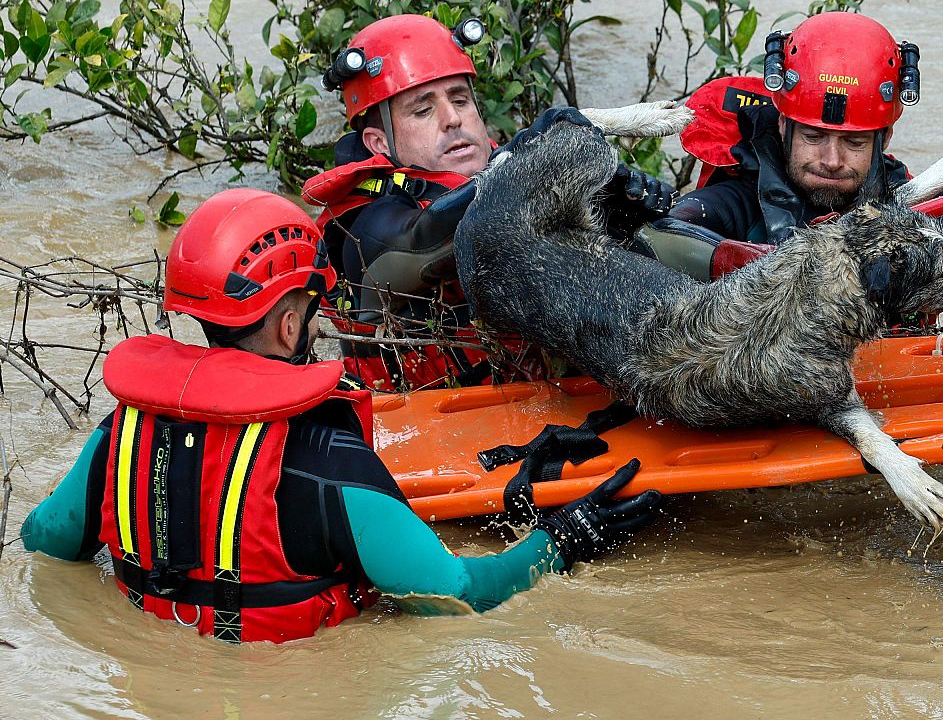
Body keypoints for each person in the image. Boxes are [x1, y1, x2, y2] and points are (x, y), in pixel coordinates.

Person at [21, 189, 663, 643]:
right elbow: (456, 597)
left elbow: (42, 543)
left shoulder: (119, 435)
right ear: (291, 321)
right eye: (312, 305)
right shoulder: (329, 461)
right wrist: (563, 541)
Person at [300, 14, 675, 390]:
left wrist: (614, 219)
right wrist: (528, 158)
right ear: (380, 144)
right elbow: (430, 238)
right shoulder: (365, 225)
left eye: (460, 100)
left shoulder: (510, 168)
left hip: (538, 398)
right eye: (423, 110)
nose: (452, 119)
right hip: (430, 418)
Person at [643, 11, 943, 280]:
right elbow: (657, 236)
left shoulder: (912, 206)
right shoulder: (735, 201)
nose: (832, 160)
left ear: (885, 138)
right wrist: (741, 261)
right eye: (814, 137)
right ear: (784, 127)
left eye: (854, 142)